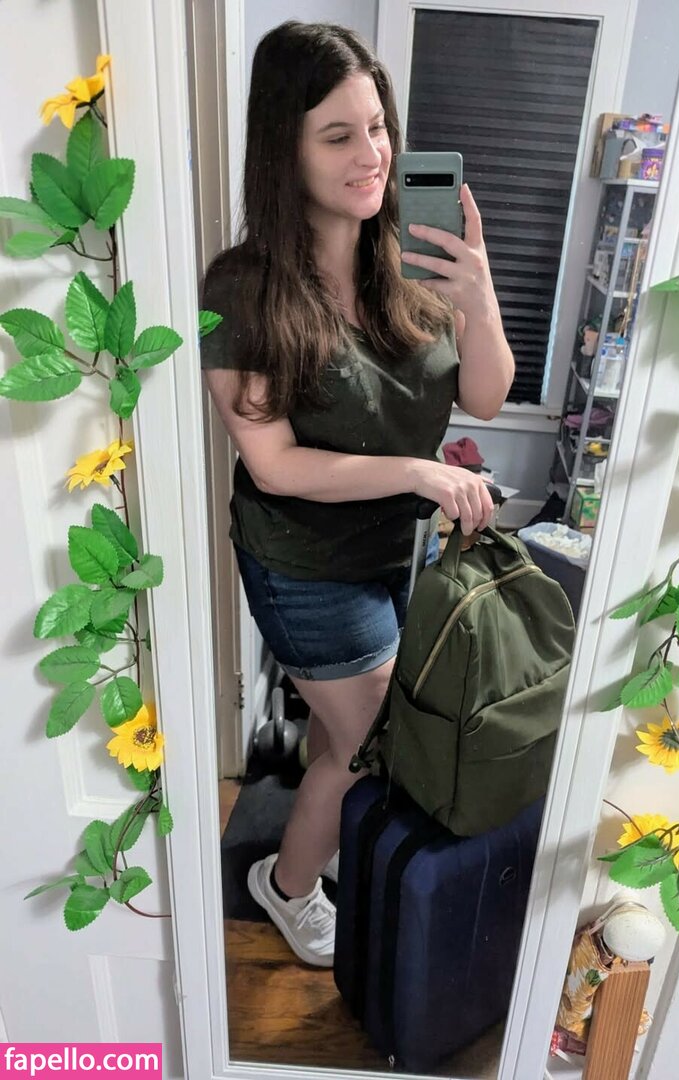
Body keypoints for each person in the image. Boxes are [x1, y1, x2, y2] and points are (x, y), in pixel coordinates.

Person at [199, 20, 514, 968]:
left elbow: (485, 395)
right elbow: (274, 464)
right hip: (303, 563)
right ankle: (288, 886)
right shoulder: (242, 290)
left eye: (377, 127)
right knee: (367, 742)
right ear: (283, 151)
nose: (372, 154)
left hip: (394, 550)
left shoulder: (409, 259)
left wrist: (481, 295)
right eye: (338, 135)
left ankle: (317, 822)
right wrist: (419, 472)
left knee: (362, 736)